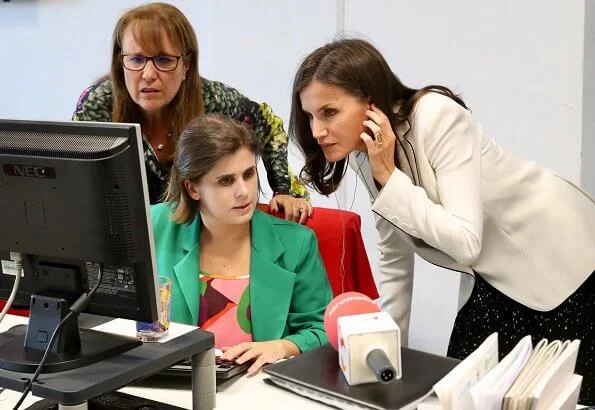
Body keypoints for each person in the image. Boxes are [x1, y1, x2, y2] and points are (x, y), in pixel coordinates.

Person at [289, 38, 594, 402]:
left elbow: (466, 242)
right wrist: (389, 356)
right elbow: (394, 253)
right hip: (492, 270)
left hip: (556, 258)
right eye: (309, 116)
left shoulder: (436, 115)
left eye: (328, 112)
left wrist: (389, 177)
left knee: (556, 395)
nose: (317, 131)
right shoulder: (366, 152)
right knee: (462, 393)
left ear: (370, 102)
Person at [73, 2, 312, 223]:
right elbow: (74, 178)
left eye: (164, 60)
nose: (147, 74)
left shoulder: (214, 100)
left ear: (186, 65)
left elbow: (269, 125)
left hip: (195, 235)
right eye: (136, 59)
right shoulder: (98, 104)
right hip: (126, 236)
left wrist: (285, 189)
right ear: (120, 62)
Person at [151, 114, 332, 374]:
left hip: (256, 392)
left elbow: (323, 328)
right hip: (171, 387)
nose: (244, 191)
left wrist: (282, 347)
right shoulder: (155, 225)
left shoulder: (297, 243)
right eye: (226, 181)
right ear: (193, 189)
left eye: (248, 174)